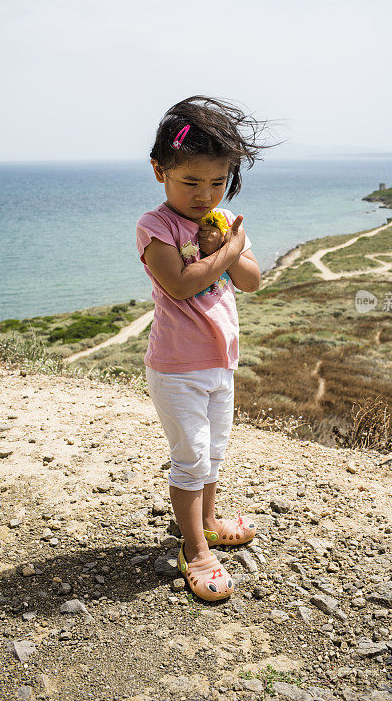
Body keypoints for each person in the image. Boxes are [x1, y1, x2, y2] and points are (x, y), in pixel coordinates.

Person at [136, 95, 274, 601]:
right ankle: (195, 549)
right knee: (190, 455)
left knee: (213, 452)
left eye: (216, 182)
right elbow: (180, 285)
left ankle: (209, 520)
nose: (204, 194)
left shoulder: (226, 221)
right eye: (190, 181)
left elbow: (253, 281)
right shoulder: (156, 228)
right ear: (160, 171)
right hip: (176, 367)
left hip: (221, 361)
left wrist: (232, 249)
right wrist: (229, 251)